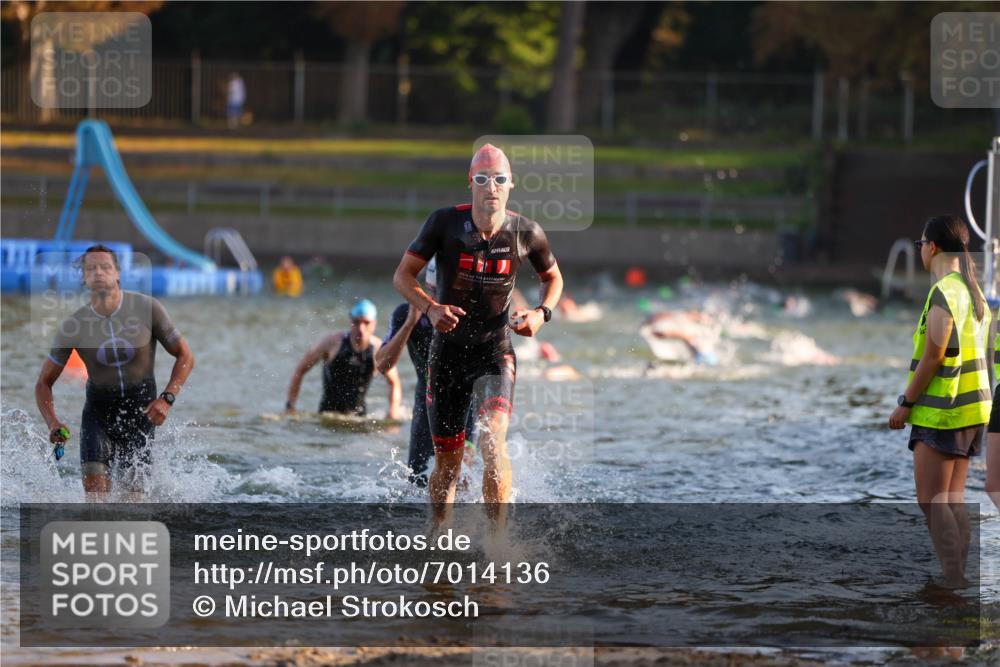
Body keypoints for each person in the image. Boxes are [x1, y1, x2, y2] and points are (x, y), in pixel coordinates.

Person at [392, 143, 564, 531]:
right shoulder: (444, 224)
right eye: (483, 179)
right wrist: (431, 307)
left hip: (495, 352)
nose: (492, 187)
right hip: (448, 354)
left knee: (491, 443)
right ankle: (438, 536)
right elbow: (402, 276)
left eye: (500, 179)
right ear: (471, 183)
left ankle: (497, 541)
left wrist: (541, 313)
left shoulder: (526, 231)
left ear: (510, 186)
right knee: (448, 464)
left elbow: (553, 278)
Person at [35, 245, 195, 501]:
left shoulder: (147, 308)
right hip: (98, 417)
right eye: (91, 268)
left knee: (132, 507)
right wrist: (53, 422)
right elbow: (44, 382)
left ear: (118, 273)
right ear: (84, 278)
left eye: (105, 267)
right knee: (96, 506)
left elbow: (185, 356)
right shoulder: (73, 326)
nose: (99, 272)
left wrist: (167, 398)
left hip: (141, 417)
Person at [888, 215, 992, 587]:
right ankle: (959, 575)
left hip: (941, 411)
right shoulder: (973, 291)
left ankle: (953, 577)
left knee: (932, 500)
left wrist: (905, 403)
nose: (920, 251)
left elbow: (935, 355)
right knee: (952, 498)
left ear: (931, 247)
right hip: (972, 409)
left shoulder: (944, 292)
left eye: (919, 245)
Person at [375, 259, 478, 487]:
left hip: (465, 404)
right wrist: (410, 324)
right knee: (417, 483)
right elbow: (382, 364)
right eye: (436, 292)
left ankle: (461, 522)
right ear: (428, 288)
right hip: (426, 401)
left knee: (460, 479)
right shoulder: (405, 313)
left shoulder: (465, 312)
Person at [285, 299, 401, 419]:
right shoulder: (331, 342)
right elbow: (300, 370)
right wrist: (290, 405)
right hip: (327, 416)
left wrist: (393, 411)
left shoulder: (378, 349)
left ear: (374, 324)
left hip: (359, 419)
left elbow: (394, 382)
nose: (361, 328)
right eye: (356, 322)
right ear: (350, 321)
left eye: (366, 323)